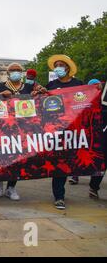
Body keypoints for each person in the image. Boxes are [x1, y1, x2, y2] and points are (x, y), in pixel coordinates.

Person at [0, 63, 41, 201]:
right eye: (13, 70)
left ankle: (11, 187)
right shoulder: (0, 86)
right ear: (7, 72)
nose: (16, 72)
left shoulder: (29, 87)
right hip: (3, 127)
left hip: (22, 128)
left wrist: (37, 95)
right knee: (2, 157)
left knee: (17, 159)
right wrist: (0, 96)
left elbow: (37, 103)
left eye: (18, 70)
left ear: (22, 73)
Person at [46, 55, 84, 210]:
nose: (58, 68)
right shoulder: (51, 85)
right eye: (57, 65)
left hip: (73, 129)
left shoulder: (78, 84)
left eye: (61, 65)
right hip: (56, 129)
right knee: (59, 163)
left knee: (69, 161)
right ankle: (59, 196)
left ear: (68, 68)